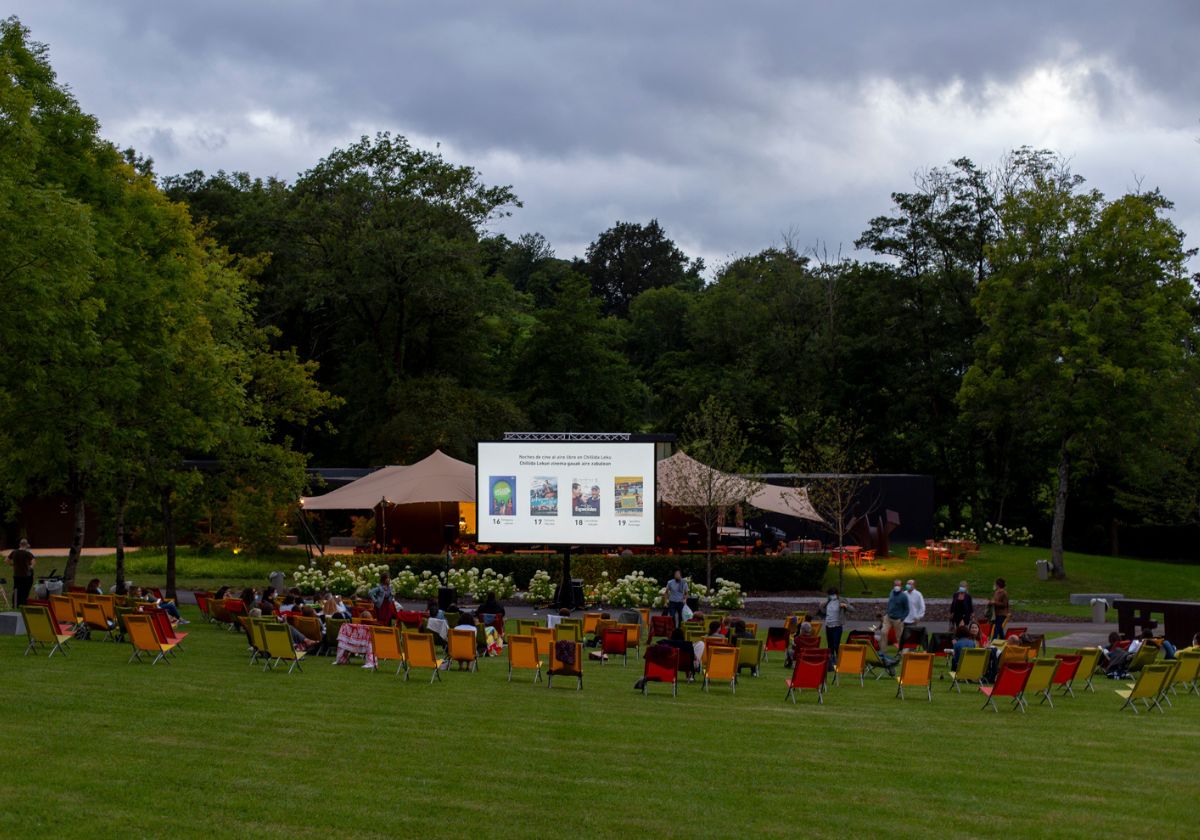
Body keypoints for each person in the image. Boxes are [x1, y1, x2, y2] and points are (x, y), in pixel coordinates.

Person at [818, 587, 851, 662]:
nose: (831, 596)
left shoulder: (841, 600)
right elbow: (823, 611)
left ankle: (839, 659)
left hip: (837, 626)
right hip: (828, 626)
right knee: (830, 645)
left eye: (832, 594)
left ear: (836, 594)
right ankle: (831, 661)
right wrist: (823, 604)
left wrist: (845, 605)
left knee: (836, 644)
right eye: (829, 594)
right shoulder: (828, 601)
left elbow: (852, 609)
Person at [5, 539, 35, 607]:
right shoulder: (27, 553)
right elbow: (33, 561)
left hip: (16, 575)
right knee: (24, 590)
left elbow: (6, 560)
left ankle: (15, 604)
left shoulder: (14, 552)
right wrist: (31, 568)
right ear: (26, 545)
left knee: (16, 589)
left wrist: (12, 564)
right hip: (25, 576)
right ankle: (23, 603)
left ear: (19, 544)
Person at [883, 579, 908, 652]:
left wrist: (902, 618)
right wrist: (886, 613)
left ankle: (901, 652)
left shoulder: (904, 596)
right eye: (895, 585)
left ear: (901, 586)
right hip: (888, 617)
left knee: (899, 637)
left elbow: (907, 609)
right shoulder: (891, 592)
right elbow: (889, 603)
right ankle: (883, 651)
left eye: (898, 585)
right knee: (883, 632)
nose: (897, 586)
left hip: (898, 619)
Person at [988, 578, 1009, 642]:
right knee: (1000, 629)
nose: (994, 585)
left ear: (998, 585)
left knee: (996, 628)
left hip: (1002, 614)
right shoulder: (996, 592)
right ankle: (1003, 641)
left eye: (995, 584)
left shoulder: (1004, 593)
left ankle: (993, 641)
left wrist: (994, 603)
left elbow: (1004, 604)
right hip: (996, 613)